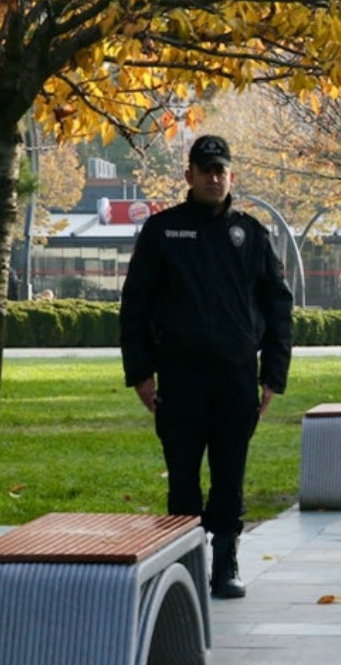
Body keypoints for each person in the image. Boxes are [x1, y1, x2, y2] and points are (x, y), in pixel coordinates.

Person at [120, 135, 294, 600]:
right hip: (179, 380)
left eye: (221, 170)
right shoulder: (162, 232)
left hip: (235, 381)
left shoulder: (252, 235)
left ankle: (225, 561)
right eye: (206, 170)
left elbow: (279, 308)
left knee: (229, 477)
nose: (214, 178)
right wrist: (140, 373)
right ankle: (183, 565)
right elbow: (134, 305)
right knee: (182, 481)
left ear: (230, 176)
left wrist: (273, 377)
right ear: (189, 176)